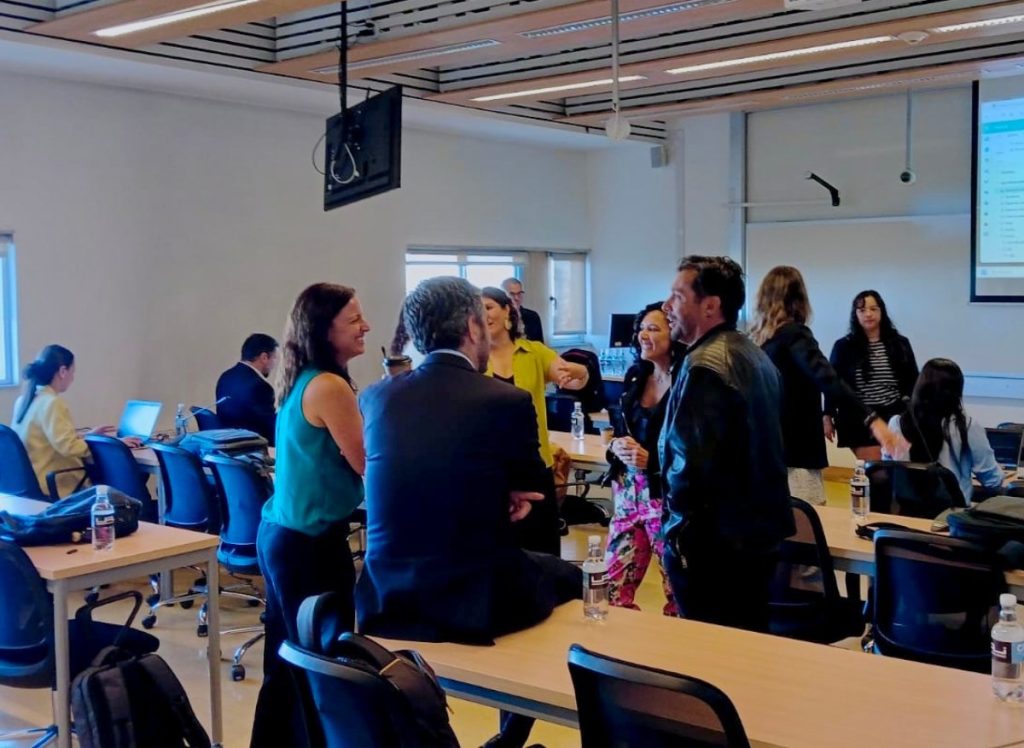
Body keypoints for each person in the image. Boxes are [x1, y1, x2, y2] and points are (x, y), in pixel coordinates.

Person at [356, 276, 581, 748]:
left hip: (386, 595)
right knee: (570, 577)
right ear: (474, 328)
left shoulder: (376, 397)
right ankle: (518, 724)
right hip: (472, 600)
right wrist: (503, 493)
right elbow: (533, 486)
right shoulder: (505, 400)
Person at [252, 283, 370, 748]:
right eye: (354, 320)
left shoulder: (303, 378)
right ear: (325, 330)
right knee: (321, 666)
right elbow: (367, 462)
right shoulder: (329, 386)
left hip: (283, 536)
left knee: (285, 662)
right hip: (308, 546)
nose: (366, 326)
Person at [659, 256, 794, 632]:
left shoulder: (705, 366)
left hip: (714, 548)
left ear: (710, 305)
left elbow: (690, 467)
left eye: (677, 296)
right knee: (746, 643)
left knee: (710, 650)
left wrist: (675, 538)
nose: (667, 306)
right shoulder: (754, 354)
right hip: (755, 539)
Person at [750, 267, 904, 505]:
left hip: (767, 449)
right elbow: (828, 378)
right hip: (796, 450)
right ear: (798, 299)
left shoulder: (761, 340)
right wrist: (872, 419)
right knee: (807, 515)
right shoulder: (795, 335)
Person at [481, 286, 588, 554]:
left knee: (543, 549)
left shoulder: (534, 352)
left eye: (489, 307)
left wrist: (572, 372)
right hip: (491, 468)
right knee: (499, 551)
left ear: (507, 311)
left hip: (534, 464)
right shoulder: (475, 358)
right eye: (477, 310)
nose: (484, 315)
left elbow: (578, 377)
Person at [604, 302, 684, 615]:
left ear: (673, 334)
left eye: (653, 329)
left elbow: (695, 448)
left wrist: (652, 460)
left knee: (678, 592)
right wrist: (615, 446)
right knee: (612, 589)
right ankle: (624, 643)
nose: (643, 335)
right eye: (641, 329)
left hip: (665, 498)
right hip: (628, 494)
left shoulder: (687, 381)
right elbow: (618, 431)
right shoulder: (636, 376)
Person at [12, 345, 138, 497]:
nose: (73, 378)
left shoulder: (24, 400)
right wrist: (114, 444)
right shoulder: (52, 403)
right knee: (126, 475)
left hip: (33, 481)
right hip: (57, 483)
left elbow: (54, 440)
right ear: (63, 371)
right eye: (72, 372)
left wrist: (89, 437)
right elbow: (69, 447)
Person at [889, 358, 1003, 502]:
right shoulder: (966, 426)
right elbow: (992, 481)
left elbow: (889, 470)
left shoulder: (897, 423)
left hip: (906, 509)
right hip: (952, 511)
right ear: (956, 391)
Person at [828, 290, 918, 462]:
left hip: (894, 414)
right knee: (878, 469)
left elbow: (913, 380)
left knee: (897, 468)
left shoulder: (900, 343)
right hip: (859, 417)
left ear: (881, 311)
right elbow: (832, 384)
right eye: (862, 310)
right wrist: (827, 415)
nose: (868, 314)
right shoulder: (844, 346)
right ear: (855, 315)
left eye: (873, 309)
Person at [215, 333, 278, 444]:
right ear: (264, 357)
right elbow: (272, 429)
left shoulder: (225, 377)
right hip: (252, 447)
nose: (274, 364)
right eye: (274, 358)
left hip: (225, 446)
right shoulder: (260, 386)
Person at [501, 277, 544, 343]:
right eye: (512, 294)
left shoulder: (533, 316)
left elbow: (540, 344)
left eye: (519, 294)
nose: (517, 298)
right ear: (503, 296)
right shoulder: (499, 317)